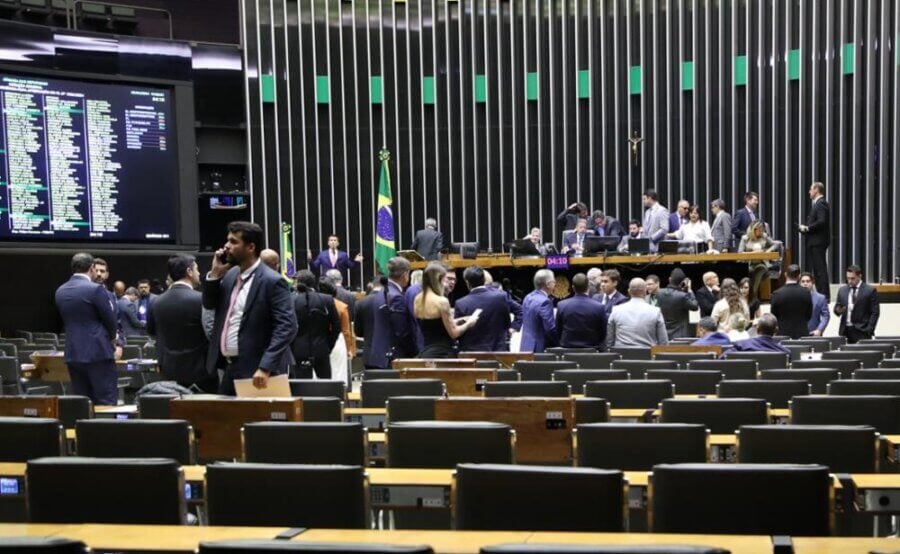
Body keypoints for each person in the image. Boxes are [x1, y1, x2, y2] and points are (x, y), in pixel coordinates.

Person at [204, 221, 298, 395]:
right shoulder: (231, 275)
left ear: (250, 247)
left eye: (233, 242)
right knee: (226, 421)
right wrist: (215, 274)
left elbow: (287, 326)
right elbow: (209, 304)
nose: (226, 247)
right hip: (229, 368)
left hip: (257, 371)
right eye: (227, 241)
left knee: (256, 421)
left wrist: (266, 366)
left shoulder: (272, 281)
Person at [147, 255, 218, 393]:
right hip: (201, 373)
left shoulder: (155, 302)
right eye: (196, 269)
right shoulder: (201, 300)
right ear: (189, 272)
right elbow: (212, 333)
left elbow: (152, 332)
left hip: (168, 373)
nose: (198, 273)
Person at [54, 252, 118, 405]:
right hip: (98, 352)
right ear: (92, 268)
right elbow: (110, 320)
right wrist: (112, 338)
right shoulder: (95, 289)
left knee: (81, 403)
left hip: (73, 352)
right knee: (105, 401)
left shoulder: (60, 291)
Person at [412, 263, 478, 358]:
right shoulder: (442, 301)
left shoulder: (417, 299)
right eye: (445, 279)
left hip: (426, 351)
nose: (447, 283)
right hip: (442, 354)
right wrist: (469, 323)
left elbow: (433, 326)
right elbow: (454, 333)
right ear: (439, 279)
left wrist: (459, 320)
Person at [455, 266, 521, 352]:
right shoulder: (501, 296)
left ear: (467, 282)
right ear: (483, 279)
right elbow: (520, 310)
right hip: (498, 350)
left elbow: (458, 331)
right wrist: (513, 328)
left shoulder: (460, 303)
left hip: (472, 353)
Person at [290, 270, 340, 379]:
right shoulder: (327, 299)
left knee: (302, 389)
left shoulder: (291, 300)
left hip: (298, 350)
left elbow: (287, 327)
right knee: (325, 388)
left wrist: (292, 347)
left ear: (298, 283)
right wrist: (328, 345)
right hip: (321, 348)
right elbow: (336, 327)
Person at [369, 257, 419, 367]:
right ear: (405, 274)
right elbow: (401, 331)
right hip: (394, 357)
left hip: (380, 355)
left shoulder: (382, 292)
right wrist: (414, 351)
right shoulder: (396, 297)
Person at [605, 278, 669, 348]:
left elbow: (609, 340)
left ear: (629, 291)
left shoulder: (616, 310)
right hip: (648, 356)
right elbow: (663, 342)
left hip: (621, 356)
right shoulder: (655, 311)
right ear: (645, 292)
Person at [555, 273, 608, 350]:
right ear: (588, 287)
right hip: (592, 350)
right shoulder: (599, 307)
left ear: (573, 287)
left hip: (567, 349)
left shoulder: (561, 305)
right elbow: (603, 332)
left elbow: (558, 330)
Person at [319, 277, 355, 381]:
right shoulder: (341, 306)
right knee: (338, 373)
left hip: (319, 341)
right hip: (337, 342)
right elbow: (346, 331)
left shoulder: (314, 303)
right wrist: (349, 348)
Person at [799, 182, 831, 299]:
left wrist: (808, 228)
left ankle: (824, 295)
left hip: (818, 241)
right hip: (815, 241)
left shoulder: (821, 203)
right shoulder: (818, 204)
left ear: (816, 190)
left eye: (810, 189)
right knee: (818, 269)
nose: (809, 192)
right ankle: (822, 294)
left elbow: (822, 221)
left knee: (820, 270)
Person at [834, 264, 880, 343]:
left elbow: (875, 312)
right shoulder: (842, 290)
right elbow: (837, 308)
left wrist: (869, 329)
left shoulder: (869, 291)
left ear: (860, 276)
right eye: (848, 278)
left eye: (852, 278)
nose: (850, 281)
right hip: (845, 331)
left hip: (862, 331)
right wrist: (838, 310)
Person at [770, 264, 813, 339]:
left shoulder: (777, 294)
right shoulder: (806, 293)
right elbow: (808, 315)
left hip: (782, 334)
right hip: (802, 334)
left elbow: (773, 316)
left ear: (785, 275)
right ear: (799, 276)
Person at [738, 221, 778, 302]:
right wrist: (753, 253)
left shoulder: (764, 236)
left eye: (762, 230)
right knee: (749, 271)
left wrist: (767, 251)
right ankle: (750, 296)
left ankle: (752, 295)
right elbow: (740, 252)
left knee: (761, 268)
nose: (761, 232)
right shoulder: (745, 238)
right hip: (748, 264)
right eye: (759, 230)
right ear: (753, 230)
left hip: (760, 263)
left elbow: (775, 244)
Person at [520, 269, 558, 353]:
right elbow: (550, 329)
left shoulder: (527, 297)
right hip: (539, 349)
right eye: (554, 282)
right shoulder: (545, 301)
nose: (555, 284)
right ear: (548, 284)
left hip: (525, 347)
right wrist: (559, 343)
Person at [657, 268, 699, 340]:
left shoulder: (659, 293)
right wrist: (690, 291)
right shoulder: (682, 296)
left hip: (664, 332)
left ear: (670, 279)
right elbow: (695, 307)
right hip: (680, 334)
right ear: (682, 282)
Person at [354, 279, 384, 369]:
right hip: (388, 353)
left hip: (369, 352)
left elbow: (358, 331)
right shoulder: (391, 300)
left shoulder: (360, 303)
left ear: (373, 286)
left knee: (371, 381)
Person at [801, 272, 830, 336]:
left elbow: (826, 316)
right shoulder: (796, 298)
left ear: (812, 282)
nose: (805, 284)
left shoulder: (820, 298)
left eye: (808, 281)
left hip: (815, 333)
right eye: (803, 281)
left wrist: (819, 329)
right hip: (799, 333)